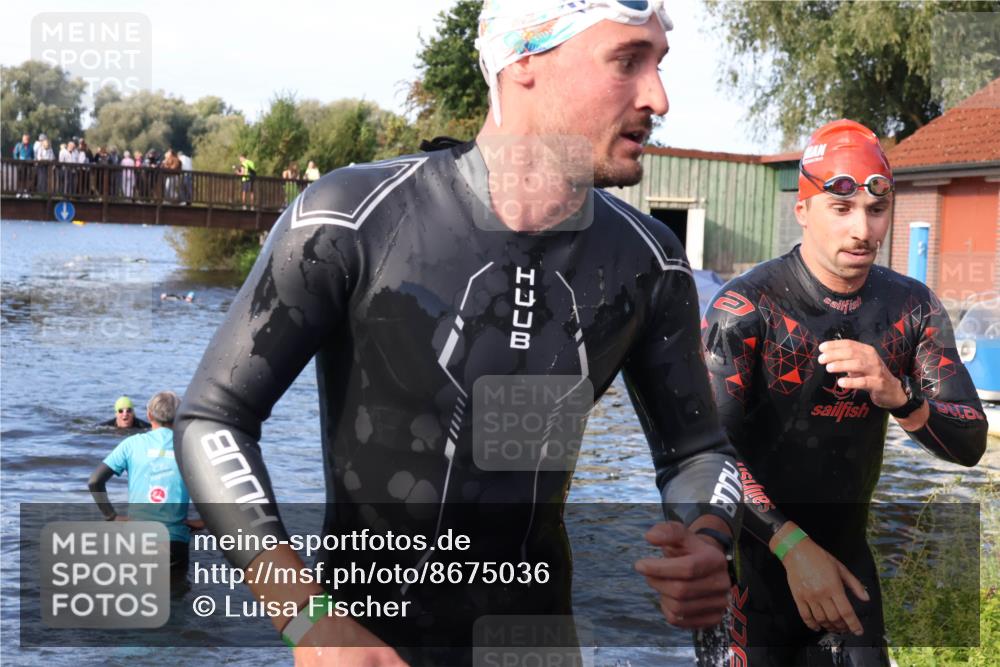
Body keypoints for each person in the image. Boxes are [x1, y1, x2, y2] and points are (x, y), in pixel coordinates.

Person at [176, 3, 741, 665]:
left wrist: (707, 534)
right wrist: (304, 617)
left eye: (659, 64)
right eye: (627, 62)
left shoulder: (650, 261)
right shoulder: (352, 220)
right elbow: (212, 418)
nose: (659, 97)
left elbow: (698, 448)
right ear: (523, 61)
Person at [700, 119, 988, 666]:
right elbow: (707, 456)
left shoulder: (910, 307)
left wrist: (900, 396)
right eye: (841, 209)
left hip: (847, 567)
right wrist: (792, 548)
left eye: (876, 211)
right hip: (752, 571)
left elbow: (971, 441)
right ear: (803, 211)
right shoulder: (745, 308)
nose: (863, 230)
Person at [89, 391, 202, 575]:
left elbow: (95, 482)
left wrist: (111, 516)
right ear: (180, 417)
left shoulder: (131, 444)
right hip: (175, 541)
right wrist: (204, 522)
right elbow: (223, 487)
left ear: (149, 415)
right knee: (176, 596)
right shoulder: (192, 447)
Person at [12, 133, 33, 198]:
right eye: (25, 139)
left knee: (28, 178)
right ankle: (19, 192)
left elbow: (32, 155)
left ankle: (26, 192)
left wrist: (31, 160)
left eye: (27, 139)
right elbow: (15, 154)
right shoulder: (19, 145)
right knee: (20, 178)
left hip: (28, 164)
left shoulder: (30, 146)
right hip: (21, 164)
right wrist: (17, 161)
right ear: (23, 139)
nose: (26, 140)